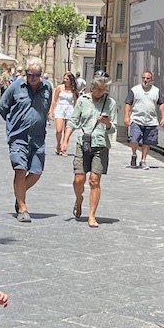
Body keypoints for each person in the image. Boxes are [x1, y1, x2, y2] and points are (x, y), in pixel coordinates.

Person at [0, 57, 52, 222]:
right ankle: (22, 208)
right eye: (30, 74)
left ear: (41, 75)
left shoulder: (47, 88)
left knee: (36, 172)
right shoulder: (16, 87)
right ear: (26, 73)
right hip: (18, 136)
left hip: (38, 137)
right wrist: (13, 123)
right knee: (20, 169)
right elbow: (2, 107)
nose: (33, 78)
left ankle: (19, 193)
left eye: (36, 75)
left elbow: (47, 108)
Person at [66, 75, 118, 228]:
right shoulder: (83, 100)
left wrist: (107, 123)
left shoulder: (110, 103)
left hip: (100, 144)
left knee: (94, 180)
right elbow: (73, 121)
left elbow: (113, 127)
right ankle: (79, 199)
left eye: (104, 89)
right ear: (92, 86)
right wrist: (65, 140)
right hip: (83, 142)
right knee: (78, 180)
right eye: (98, 89)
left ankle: (92, 215)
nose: (101, 92)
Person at [124, 70, 164, 170]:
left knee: (147, 142)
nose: (145, 80)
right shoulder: (135, 90)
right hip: (137, 119)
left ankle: (143, 160)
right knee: (134, 139)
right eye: (144, 78)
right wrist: (126, 116)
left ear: (151, 80)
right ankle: (134, 154)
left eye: (148, 78)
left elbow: (161, 104)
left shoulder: (156, 91)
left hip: (151, 120)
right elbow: (128, 103)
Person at [50, 72, 78, 156]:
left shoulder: (73, 90)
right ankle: (58, 143)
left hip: (69, 109)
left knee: (67, 131)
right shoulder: (59, 88)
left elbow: (76, 102)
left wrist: (77, 114)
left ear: (71, 80)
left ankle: (64, 148)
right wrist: (51, 111)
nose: (65, 80)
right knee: (59, 130)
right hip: (60, 109)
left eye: (67, 79)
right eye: (64, 78)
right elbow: (54, 100)